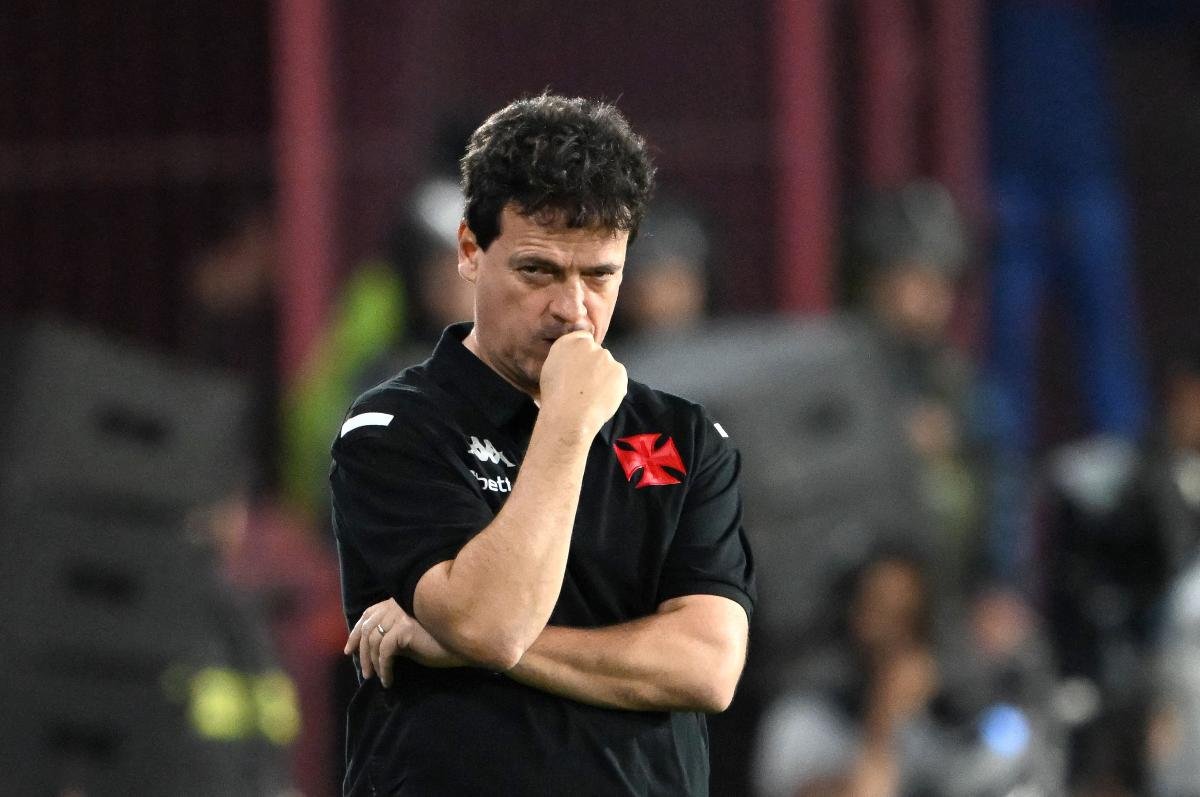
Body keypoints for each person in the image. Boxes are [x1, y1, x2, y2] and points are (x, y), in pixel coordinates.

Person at [329, 94, 756, 796]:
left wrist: (454, 643)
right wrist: (565, 422)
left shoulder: (685, 439)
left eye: (600, 275)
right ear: (470, 250)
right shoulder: (392, 430)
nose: (572, 309)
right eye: (538, 271)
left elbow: (705, 666)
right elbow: (491, 621)